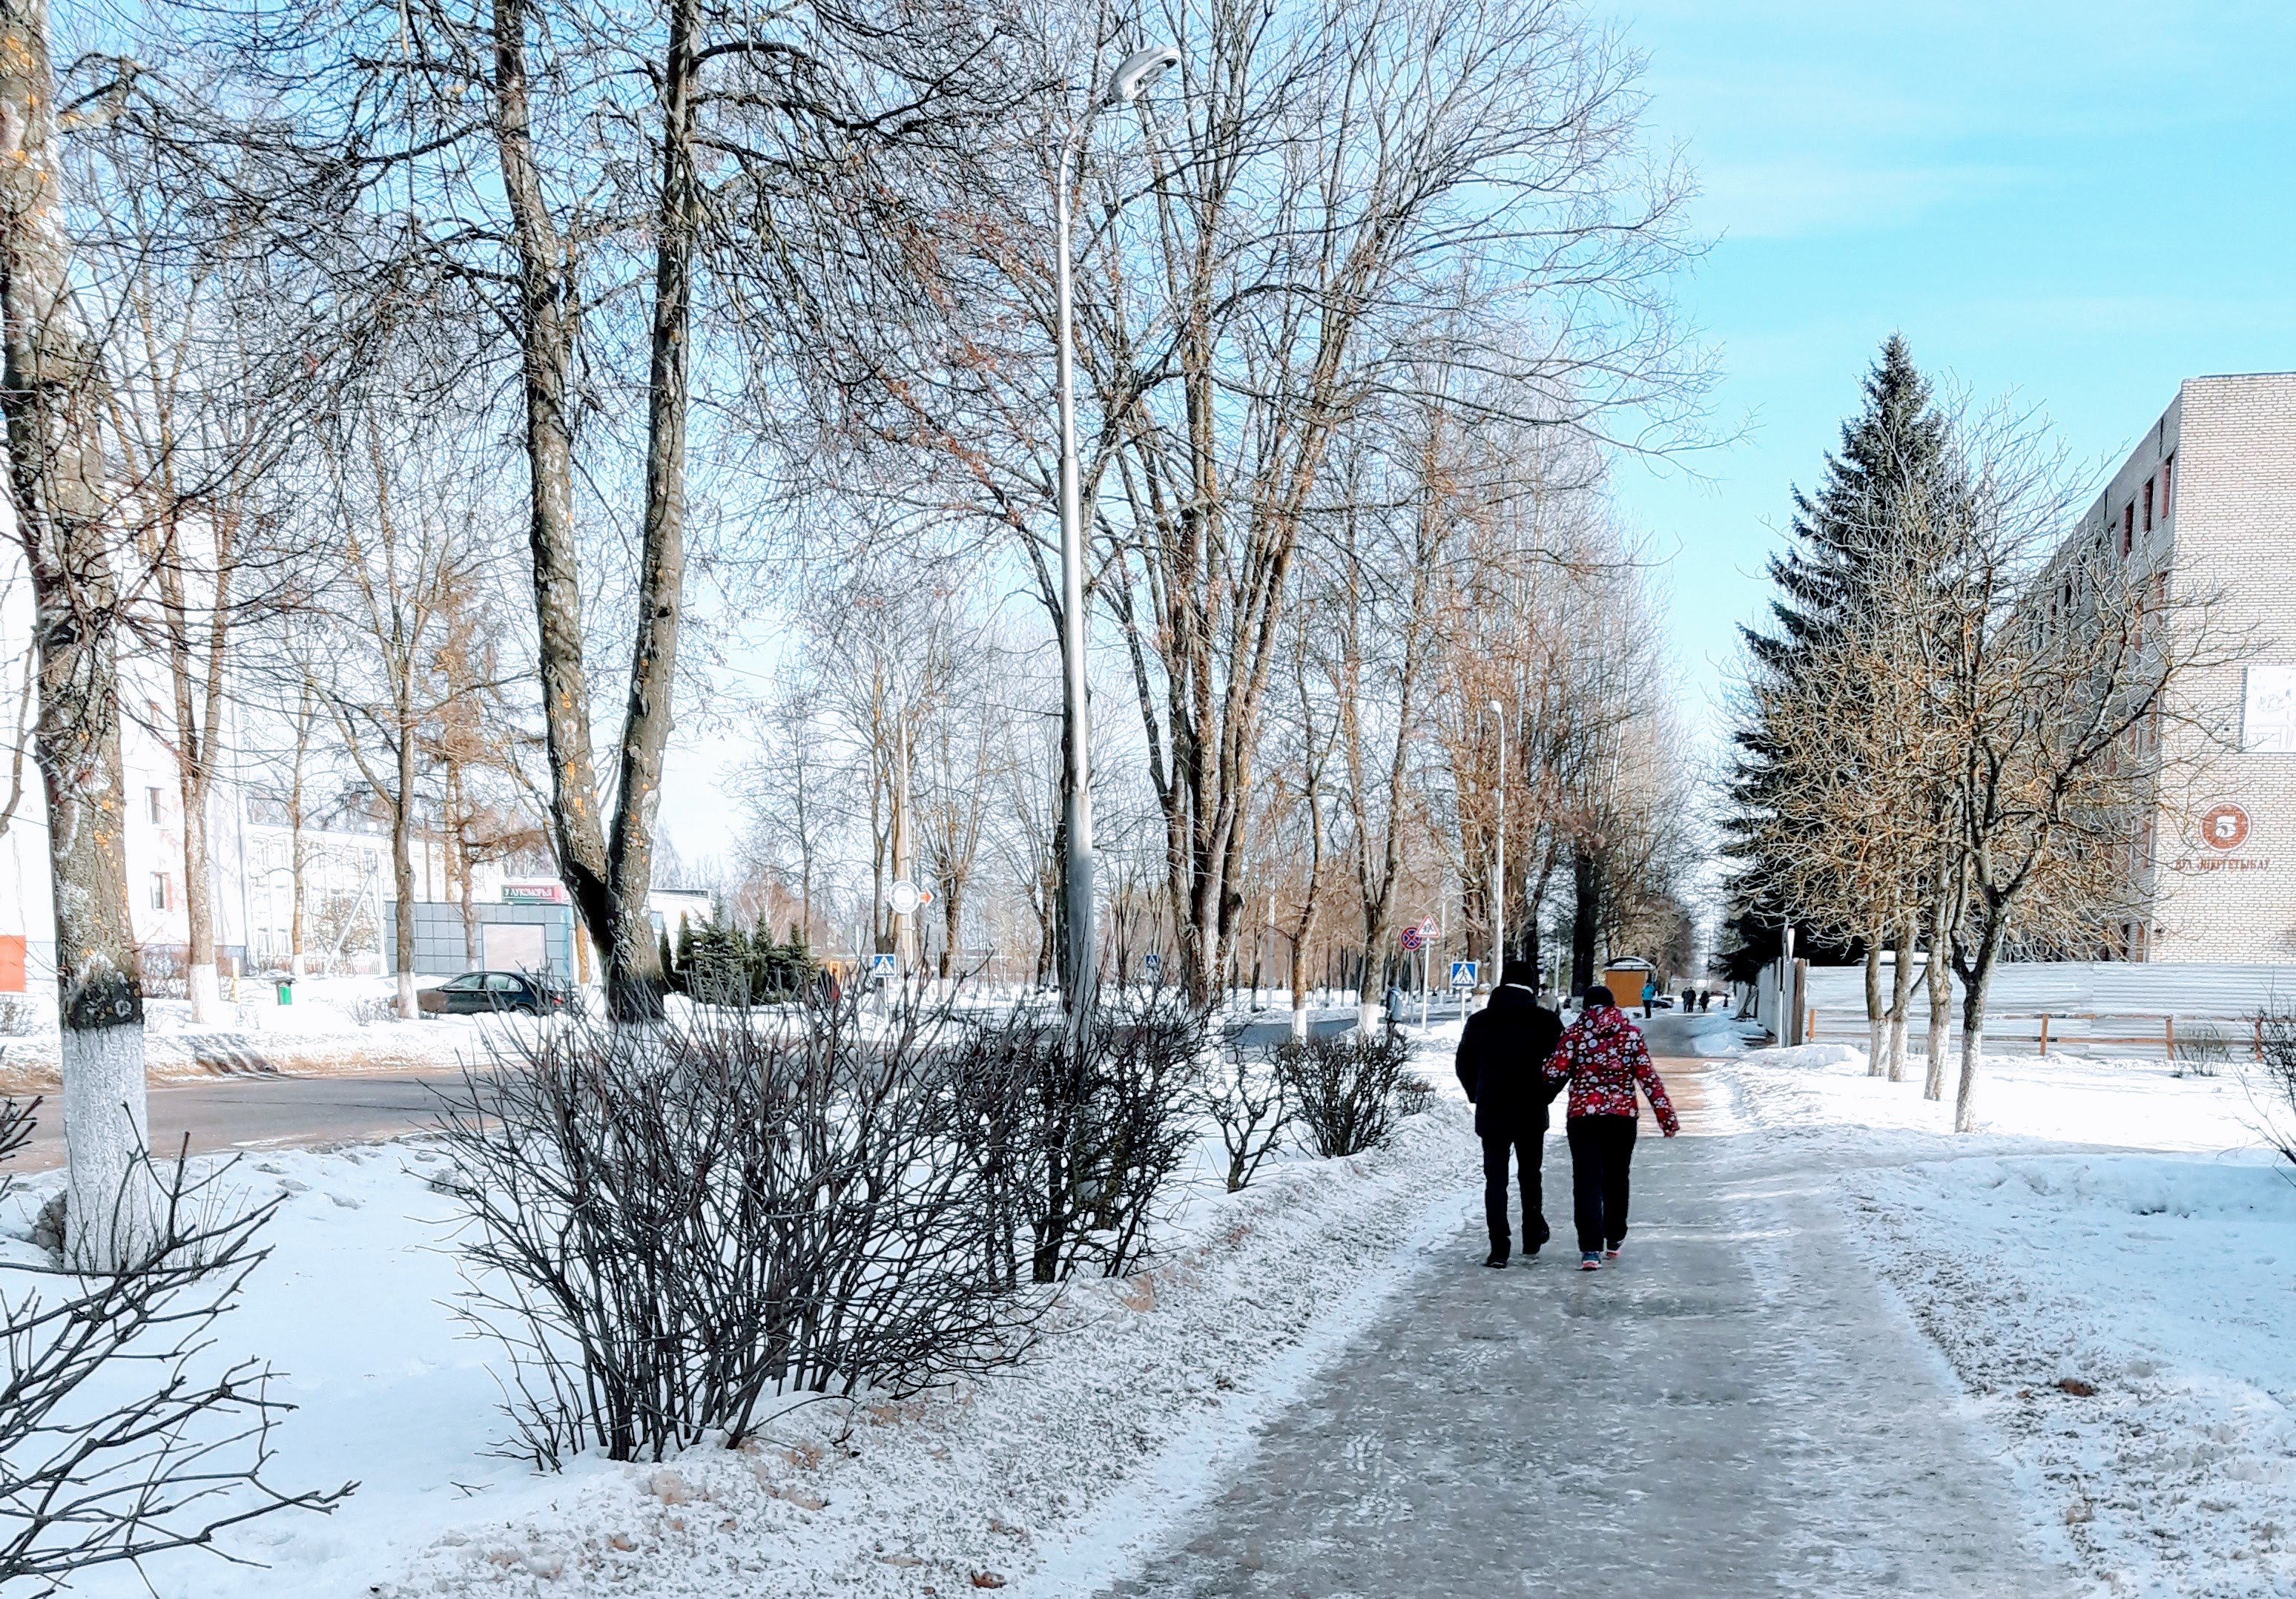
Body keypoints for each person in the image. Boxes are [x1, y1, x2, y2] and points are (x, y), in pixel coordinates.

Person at [1545, 983, 1679, 1270]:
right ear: (1613, 1005)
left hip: (1583, 1117)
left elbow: (1553, 1072)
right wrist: (1666, 1117)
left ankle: (1590, 1250)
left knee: (1586, 1181)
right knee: (1617, 1177)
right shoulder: (1630, 1035)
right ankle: (1615, 1238)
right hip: (1622, 1117)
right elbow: (1648, 1079)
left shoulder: (1574, 1035)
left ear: (1585, 1007)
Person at [1454, 960, 1565, 1269]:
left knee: (1496, 1180)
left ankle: (1498, 1248)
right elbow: (1562, 1063)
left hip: (1493, 1110)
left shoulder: (1480, 1021)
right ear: (1532, 985)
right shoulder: (1546, 1021)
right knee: (1531, 1175)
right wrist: (1547, 1094)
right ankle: (1531, 1236)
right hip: (1531, 1109)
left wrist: (1477, 1093)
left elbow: (1463, 1063)